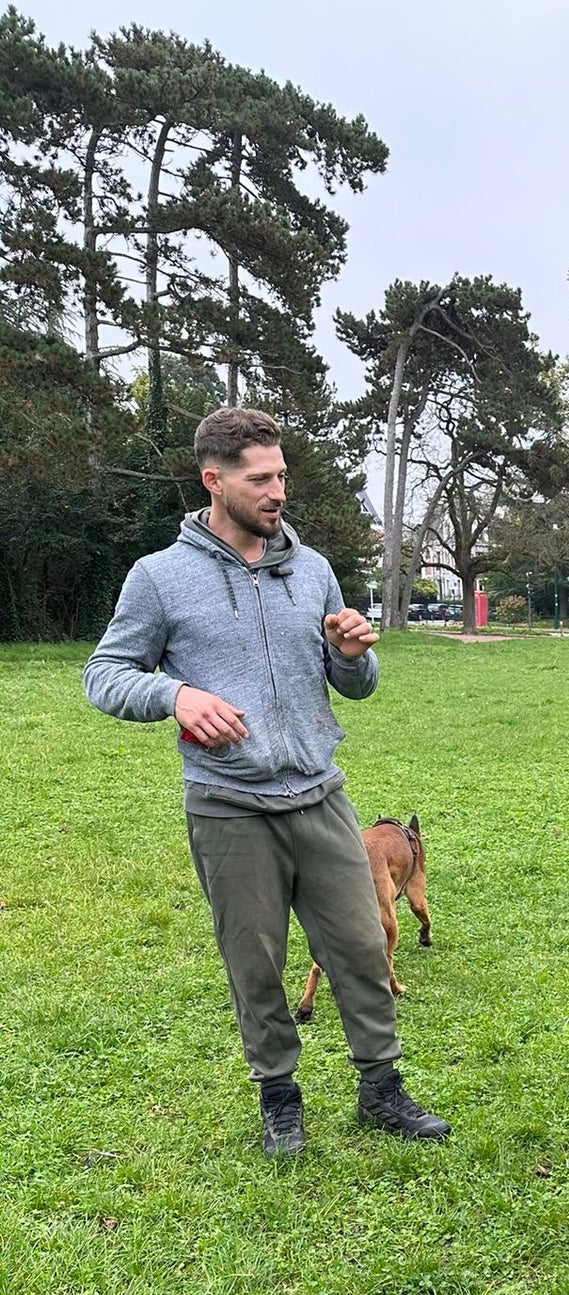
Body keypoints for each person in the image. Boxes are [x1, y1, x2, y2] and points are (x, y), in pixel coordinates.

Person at [83, 407, 450, 1157]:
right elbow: (104, 675)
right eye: (261, 478)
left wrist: (351, 654)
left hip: (320, 797)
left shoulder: (311, 569)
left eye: (281, 473)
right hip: (229, 808)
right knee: (256, 964)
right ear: (213, 481)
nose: (278, 489)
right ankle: (279, 1098)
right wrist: (175, 695)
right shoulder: (159, 578)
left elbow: (355, 682)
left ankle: (381, 1089)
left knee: (358, 947)